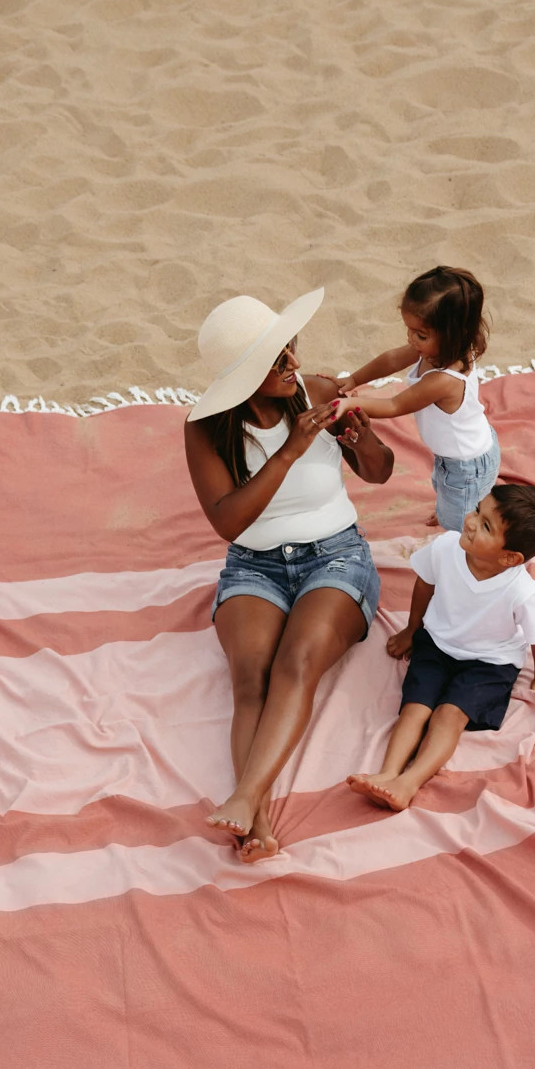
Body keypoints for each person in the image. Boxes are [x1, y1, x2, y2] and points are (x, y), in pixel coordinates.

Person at [185, 286, 394, 861]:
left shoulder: (318, 392)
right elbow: (228, 522)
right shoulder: (207, 427)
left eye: (291, 349)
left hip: (337, 555)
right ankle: (258, 830)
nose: (294, 365)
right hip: (254, 564)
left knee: (295, 663)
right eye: (278, 360)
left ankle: (246, 799)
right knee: (250, 676)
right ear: (245, 375)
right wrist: (288, 452)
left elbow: (380, 472)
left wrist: (360, 440)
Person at [348, 483, 535, 813]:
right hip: (437, 644)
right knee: (415, 708)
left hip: (490, 663)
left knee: (449, 714)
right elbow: (425, 584)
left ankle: (408, 784)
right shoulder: (447, 547)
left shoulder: (521, 591)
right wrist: (411, 629)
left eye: (486, 525)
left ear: (510, 557)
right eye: (478, 510)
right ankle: (387, 774)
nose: (471, 521)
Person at [336, 266, 499, 532]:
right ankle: (454, 509)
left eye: (420, 335)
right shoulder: (436, 349)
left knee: (463, 528)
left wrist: (349, 403)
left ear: (453, 335)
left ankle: (459, 518)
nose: (411, 339)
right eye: (409, 329)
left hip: (466, 465)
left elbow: (394, 405)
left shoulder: (444, 379)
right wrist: (354, 380)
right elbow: (391, 360)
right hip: (457, 453)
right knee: (446, 490)